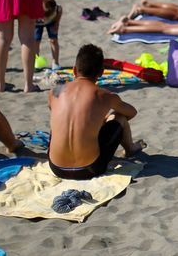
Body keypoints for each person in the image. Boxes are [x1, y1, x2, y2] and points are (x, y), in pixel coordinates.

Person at [48, 44, 145, 180]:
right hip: (89, 169)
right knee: (119, 117)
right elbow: (131, 112)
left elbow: (58, 111)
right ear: (101, 72)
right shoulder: (104, 96)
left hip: (56, 168)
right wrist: (102, 118)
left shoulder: (54, 92)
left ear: (75, 70)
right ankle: (130, 149)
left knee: (58, 119)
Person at [35, 0, 62, 70]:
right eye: (43, 16)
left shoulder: (56, 8)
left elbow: (60, 10)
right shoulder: (35, 9)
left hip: (51, 23)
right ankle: (36, 62)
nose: (44, 19)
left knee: (53, 40)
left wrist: (57, 23)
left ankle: (55, 63)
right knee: (36, 42)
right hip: (37, 24)